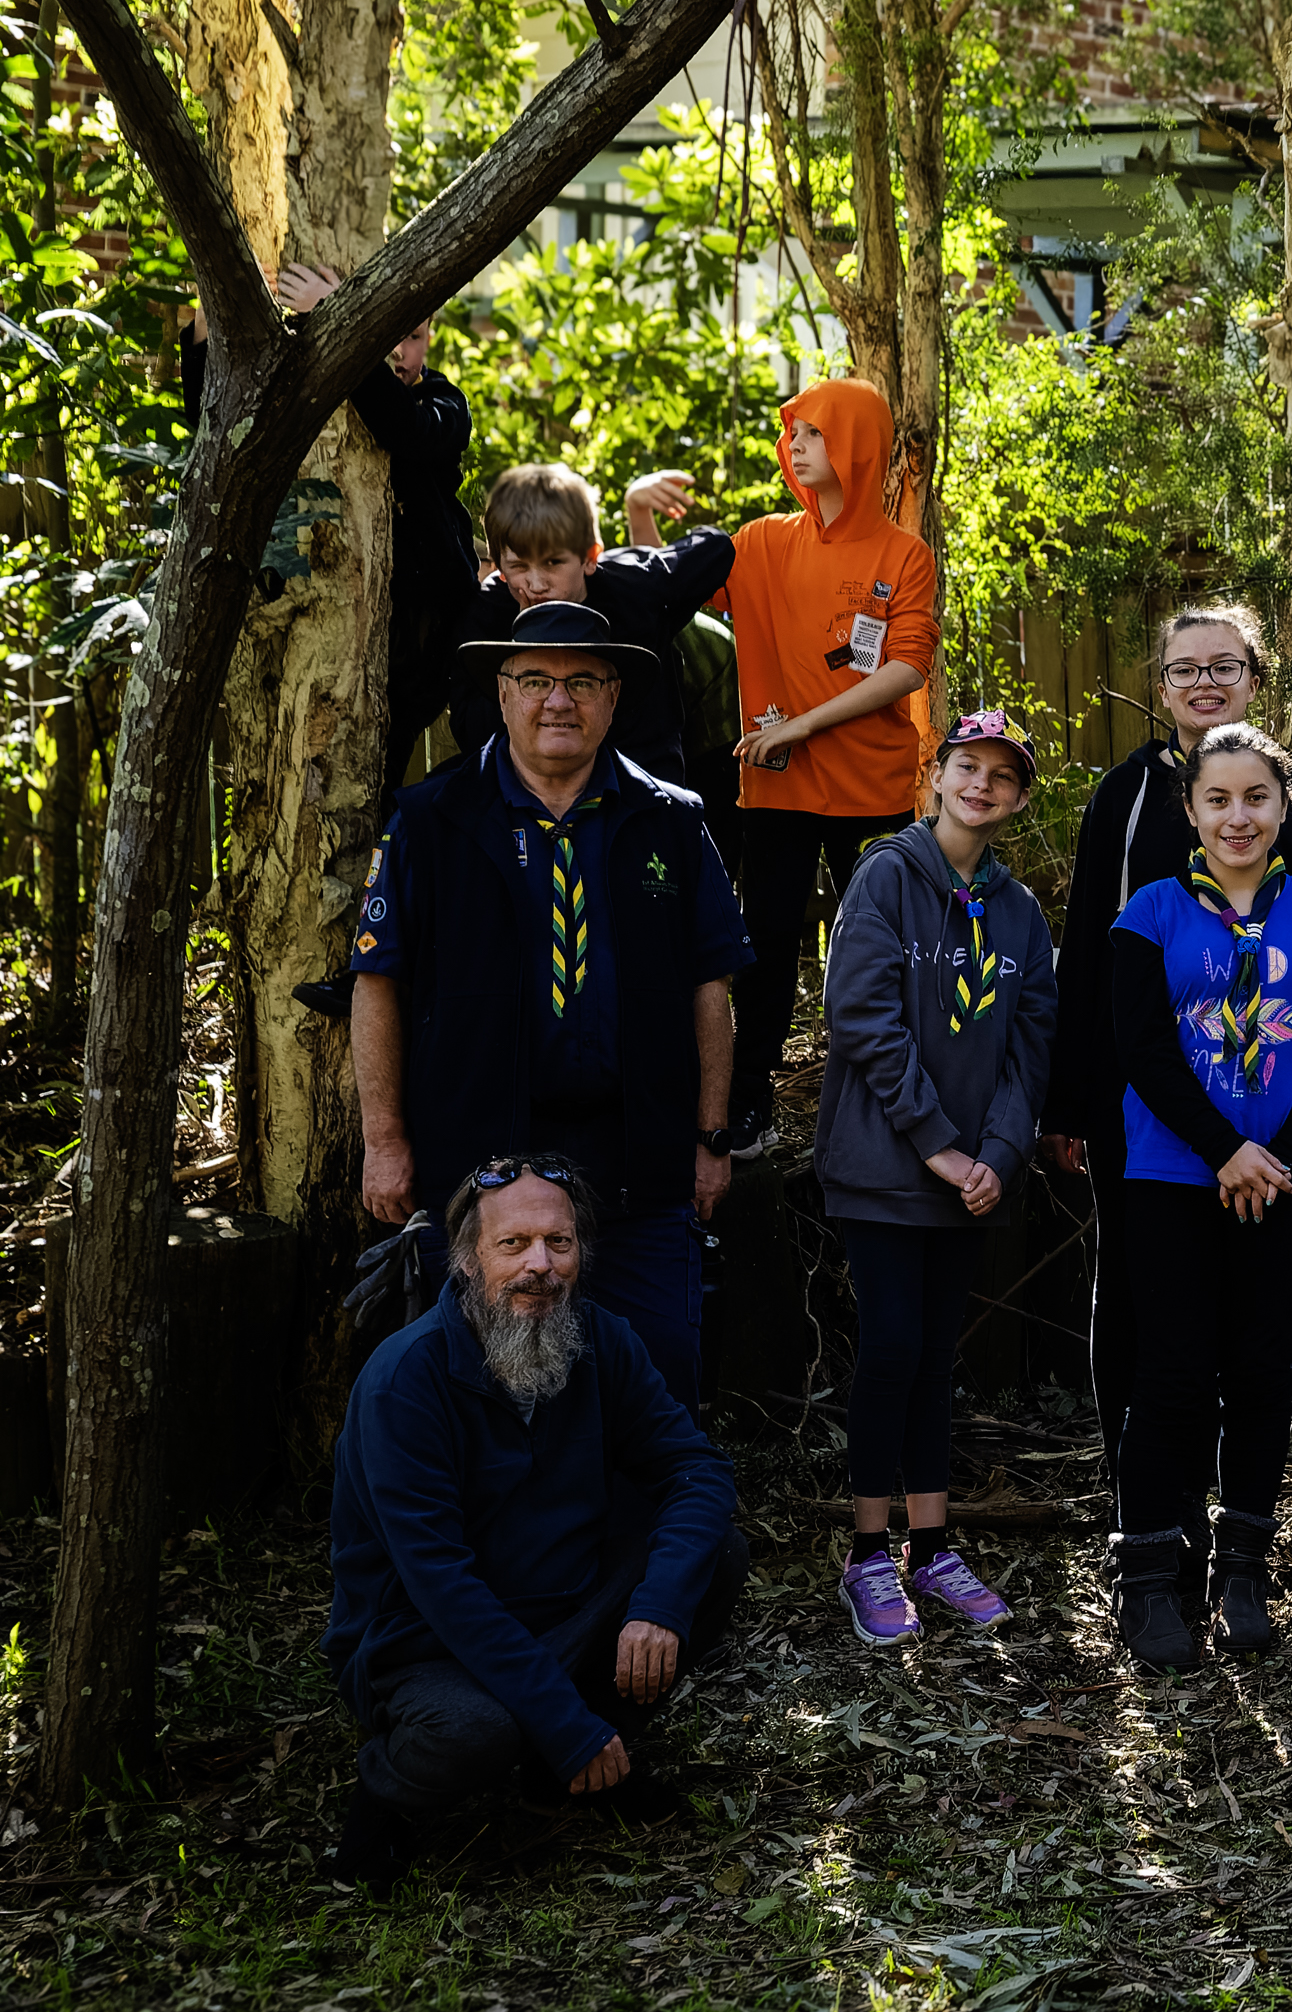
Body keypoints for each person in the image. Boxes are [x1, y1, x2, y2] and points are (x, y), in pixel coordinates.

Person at [354, 602, 754, 1403]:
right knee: (478, 1385)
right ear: (502, 695)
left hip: (638, 1158)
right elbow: (377, 980)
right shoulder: (431, 820)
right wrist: (386, 1137)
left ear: (613, 697)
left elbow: (712, 985)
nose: (557, 700)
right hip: (477, 1159)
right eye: (535, 679)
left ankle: (648, 1525)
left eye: (581, 681)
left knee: (657, 1367)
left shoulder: (671, 822)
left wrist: (711, 1134)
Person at [324, 1158, 744, 1891]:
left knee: (713, 1557)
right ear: (464, 1260)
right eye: (513, 1244)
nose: (541, 1266)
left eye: (559, 1241)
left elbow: (696, 1470)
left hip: (565, 1608)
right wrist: (565, 1723)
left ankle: (567, 1769)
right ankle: (385, 1796)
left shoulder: (601, 1340)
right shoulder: (404, 1381)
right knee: (476, 1732)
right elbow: (441, 1584)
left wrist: (656, 1604)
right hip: (427, 1639)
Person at [1105, 721, 1292, 1671]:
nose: (1238, 816)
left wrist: (1280, 1158)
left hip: (1287, 1184)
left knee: (1261, 1371)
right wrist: (1226, 1150)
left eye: (1256, 796)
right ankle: (1149, 1582)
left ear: (1283, 803)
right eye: (1218, 799)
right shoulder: (1150, 914)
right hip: (1175, 1177)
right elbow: (1142, 1049)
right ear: (1191, 811)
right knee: (1170, 1376)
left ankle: (1242, 1575)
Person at [815, 713, 1059, 1644]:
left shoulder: (1020, 913)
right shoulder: (886, 876)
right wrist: (939, 1146)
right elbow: (864, 1021)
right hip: (887, 1170)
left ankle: (934, 1544)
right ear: (937, 774)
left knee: (934, 1358)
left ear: (1019, 796)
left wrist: (996, 1155)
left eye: (1002, 775)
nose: (981, 785)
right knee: (889, 1349)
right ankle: (868, 1556)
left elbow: (1029, 1048)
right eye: (968, 766)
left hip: (968, 1180)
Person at [1047, 606, 1275, 1440]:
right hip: (1134, 1092)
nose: (1205, 682)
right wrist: (1069, 1101)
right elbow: (1083, 950)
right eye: (1186, 669)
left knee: (1239, 1295)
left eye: (1224, 665)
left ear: (1254, 676)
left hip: (1256, 1096)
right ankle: (1140, 1499)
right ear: (1164, 686)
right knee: (1139, 1289)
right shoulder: (1126, 796)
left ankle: (1229, 1488)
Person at [715, 378, 940, 1157]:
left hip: (871, 790)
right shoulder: (762, 541)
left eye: (812, 432)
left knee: (885, 953)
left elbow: (907, 668)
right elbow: (669, 582)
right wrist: (641, 510)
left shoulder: (902, 554)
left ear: (854, 445)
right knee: (766, 945)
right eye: (794, 434)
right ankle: (750, 1108)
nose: (795, 446)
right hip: (775, 787)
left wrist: (805, 723)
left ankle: (902, 1106)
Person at [270, 259, 475, 777]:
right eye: (385, 332)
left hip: (423, 648)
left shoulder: (444, 403)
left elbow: (402, 430)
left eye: (412, 333)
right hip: (318, 631)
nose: (398, 351)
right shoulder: (298, 395)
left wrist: (340, 320)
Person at [449, 464, 735, 788]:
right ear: (499, 568)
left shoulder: (637, 588)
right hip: (534, 792)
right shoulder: (486, 614)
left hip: (642, 783)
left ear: (589, 557)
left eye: (552, 562)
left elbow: (716, 546)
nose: (535, 582)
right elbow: (469, 726)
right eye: (518, 566)